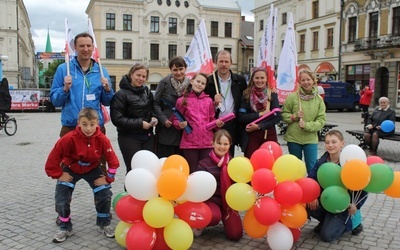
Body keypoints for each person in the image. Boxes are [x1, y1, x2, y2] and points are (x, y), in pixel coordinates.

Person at [44, 107, 120, 243]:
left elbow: (113, 161)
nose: (89, 128)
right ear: (78, 122)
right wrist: (58, 174)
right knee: (62, 198)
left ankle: (104, 224)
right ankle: (65, 227)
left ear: (98, 123)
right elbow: (52, 158)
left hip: (93, 168)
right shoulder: (68, 138)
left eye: (92, 124)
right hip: (71, 167)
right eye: (84, 124)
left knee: (105, 194)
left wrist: (108, 178)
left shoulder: (103, 139)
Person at [307, 130, 367, 242]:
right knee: (307, 204)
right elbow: (311, 178)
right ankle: (326, 222)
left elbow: (363, 187)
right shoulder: (321, 162)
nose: (330, 145)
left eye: (334, 142)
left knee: (327, 236)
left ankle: (351, 224)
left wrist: (356, 205)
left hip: (342, 206)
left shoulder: (350, 163)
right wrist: (312, 195)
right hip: (326, 201)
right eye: (327, 142)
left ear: (342, 144)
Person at [50, 32, 114, 138]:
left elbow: (107, 102)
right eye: (81, 46)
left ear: (93, 47)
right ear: (75, 47)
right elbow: (55, 101)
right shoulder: (63, 69)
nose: (85, 49)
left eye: (88, 46)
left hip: (95, 127)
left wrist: (107, 90)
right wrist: (65, 89)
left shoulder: (102, 71)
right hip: (71, 127)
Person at [110, 63, 158, 174]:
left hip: (147, 136)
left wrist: (154, 117)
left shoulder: (146, 91)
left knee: (148, 170)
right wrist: (140, 123)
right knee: (134, 170)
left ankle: (146, 192)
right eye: (138, 75)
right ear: (131, 74)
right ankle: (130, 191)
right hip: (129, 137)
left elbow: (152, 108)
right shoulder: (121, 94)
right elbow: (117, 119)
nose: (141, 79)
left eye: (143, 76)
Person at [196, 129, 243, 241]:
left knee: (235, 235)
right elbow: (198, 189)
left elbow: (240, 185)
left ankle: (227, 219)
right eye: (219, 143)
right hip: (212, 201)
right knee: (213, 217)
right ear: (212, 143)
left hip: (228, 204)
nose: (222, 147)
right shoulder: (203, 164)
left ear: (230, 145)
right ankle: (200, 223)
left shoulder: (234, 163)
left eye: (225, 144)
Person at [173, 72, 223, 173]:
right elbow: (175, 119)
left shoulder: (209, 100)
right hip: (189, 143)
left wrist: (217, 124)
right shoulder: (182, 100)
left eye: (203, 83)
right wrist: (179, 124)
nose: (200, 84)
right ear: (192, 81)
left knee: (205, 171)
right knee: (192, 171)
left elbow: (211, 119)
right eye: (198, 81)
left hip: (207, 142)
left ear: (205, 86)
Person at [282, 69, 326, 173]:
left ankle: (311, 188)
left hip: (310, 139)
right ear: (299, 82)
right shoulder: (292, 97)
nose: (306, 82)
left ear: (313, 81)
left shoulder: (319, 100)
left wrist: (307, 125)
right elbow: (283, 115)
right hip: (294, 138)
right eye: (303, 80)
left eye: (308, 79)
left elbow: (321, 120)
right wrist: (294, 116)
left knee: (312, 166)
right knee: (295, 167)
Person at [205, 50, 247, 156]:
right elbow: (203, 104)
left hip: (231, 124)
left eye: (226, 61)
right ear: (216, 62)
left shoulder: (239, 81)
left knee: (229, 154)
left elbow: (247, 97)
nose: (224, 64)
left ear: (230, 63)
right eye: (221, 61)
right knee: (213, 153)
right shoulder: (209, 81)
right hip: (215, 124)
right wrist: (213, 103)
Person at [238, 67, 281, 158]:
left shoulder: (272, 94)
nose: (259, 80)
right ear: (253, 79)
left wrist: (259, 126)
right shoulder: (246, 94)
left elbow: (277, 116)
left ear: (266, 79)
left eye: (262, 78)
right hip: (251, 136)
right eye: (257, 78)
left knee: (269, 161)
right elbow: (241, 117)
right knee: (252, 160)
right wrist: (260, 114)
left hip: (268, 133)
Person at [153, 56, 191, 158]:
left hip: (184, 128)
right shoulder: (164, 83)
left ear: (185, 68)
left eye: (180, 69)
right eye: (175, 70)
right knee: (166, 158)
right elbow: (155, 103)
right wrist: (163, 119)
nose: (178, 72)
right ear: (171, 70)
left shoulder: (190, 85)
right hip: (167, 127)